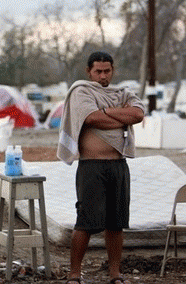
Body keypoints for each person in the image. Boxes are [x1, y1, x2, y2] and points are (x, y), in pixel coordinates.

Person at [57, 51, 145, 284]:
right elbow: (93, 119)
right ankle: (75, 274)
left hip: (118, 165)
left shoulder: (122, 92)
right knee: (85, 221)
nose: (103, 76)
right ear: (89, 71)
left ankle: (115, 273)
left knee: (116, 223)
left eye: (107, 71)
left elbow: (137, 114)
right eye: (98, 71)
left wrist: (106, 111)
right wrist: (118, 116)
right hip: (92, 166)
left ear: (112, 70)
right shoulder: (81, 91)